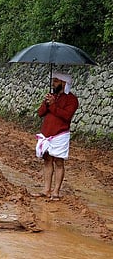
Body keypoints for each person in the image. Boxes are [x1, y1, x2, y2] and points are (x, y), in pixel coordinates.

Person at [33, 72, 79, 201]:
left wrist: (53, 104)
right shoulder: (51, 96)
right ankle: (46, 189)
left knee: (59, 162)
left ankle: (56, 191)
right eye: (53, 81)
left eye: (56, 81)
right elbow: (40, 113)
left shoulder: (72, 99)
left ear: (64, 83)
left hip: (60, 134)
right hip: (46, 133)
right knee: (47, 160)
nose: (53, 83)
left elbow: (66, 116)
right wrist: (46, 103)